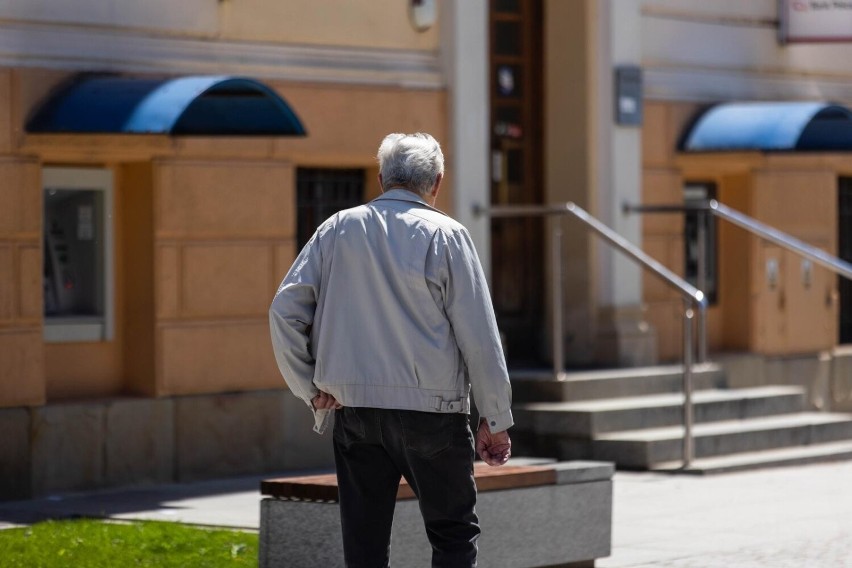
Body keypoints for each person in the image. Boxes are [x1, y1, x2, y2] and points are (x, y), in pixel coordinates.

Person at [269, 132, 512, 568]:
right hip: (433, 412)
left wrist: (308, 387)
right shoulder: (447, 235)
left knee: (363, 542)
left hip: (353, 408)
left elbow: (283, 311)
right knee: (453, 535)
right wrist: (495, 418)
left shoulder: (337, 228)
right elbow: (480, 335)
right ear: (436, 182)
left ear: (382, 178)